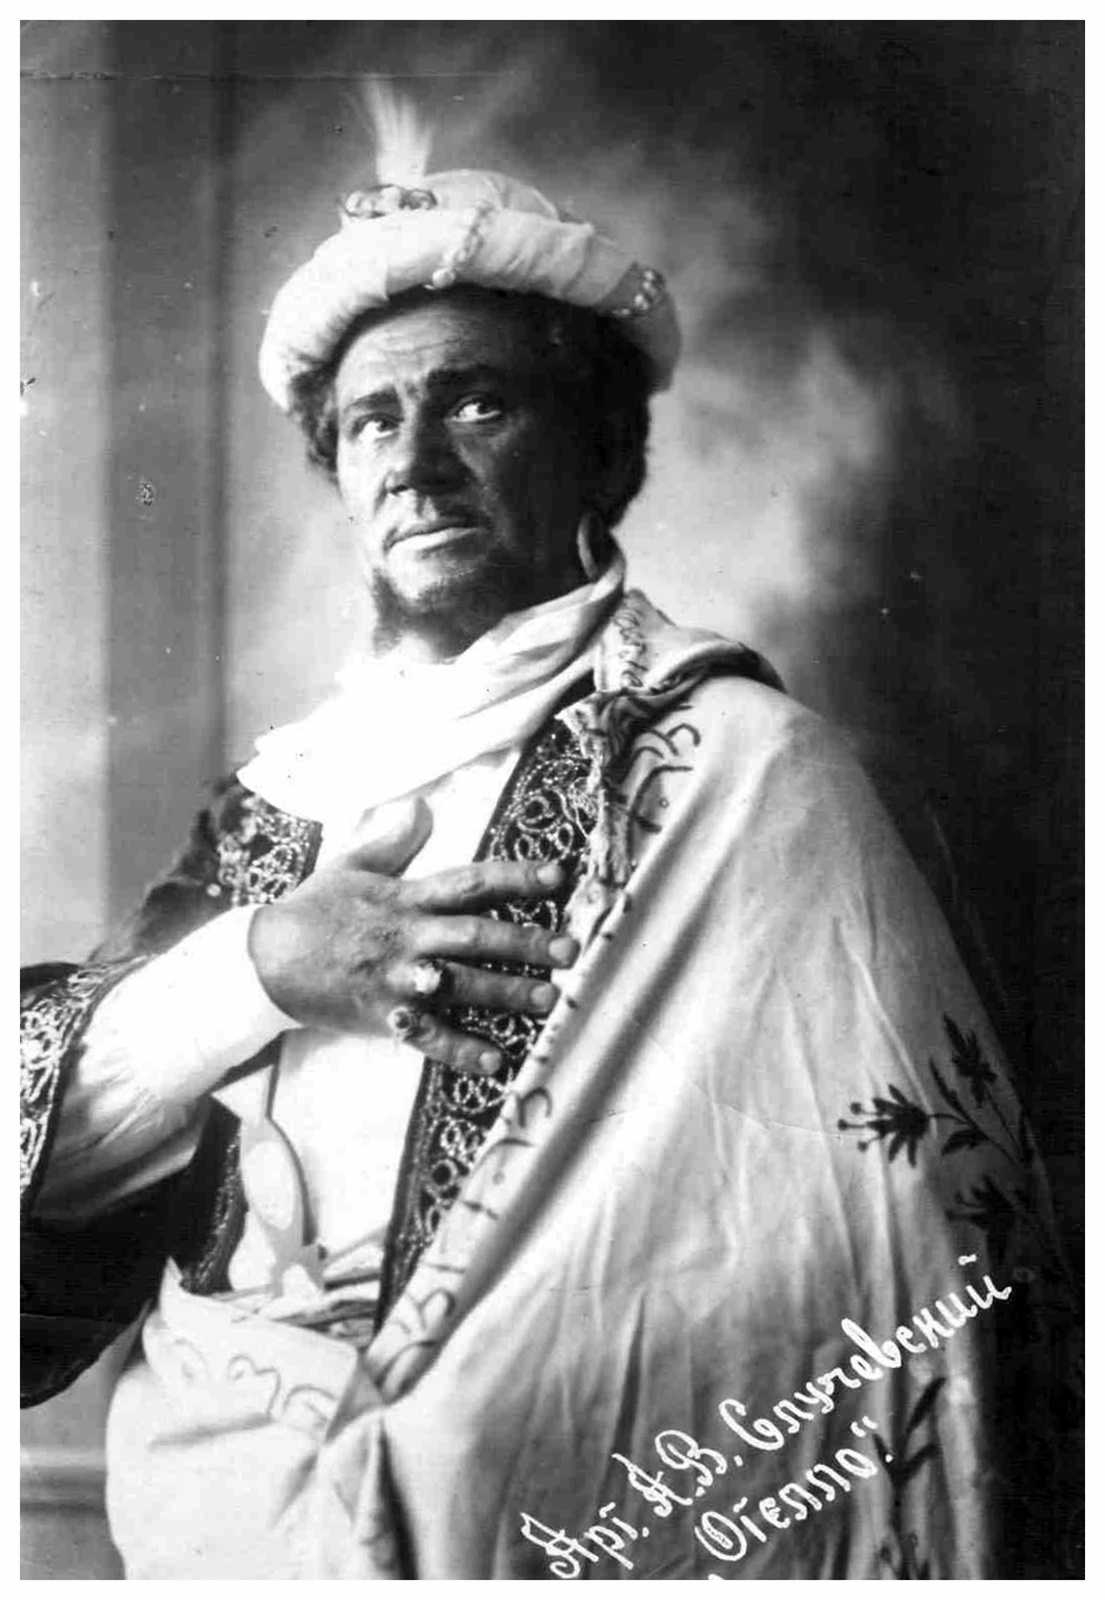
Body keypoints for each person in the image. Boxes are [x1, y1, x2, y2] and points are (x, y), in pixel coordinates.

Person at [21, 147, 1077, 1579]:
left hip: (562, 1497)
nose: (416, 463)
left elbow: (895, 1244)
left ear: (598, 453)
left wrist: (467, 1382)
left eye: (478, 403)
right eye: (372, 421)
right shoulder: (277, 805)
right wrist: (260, 969)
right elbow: (50, 1162)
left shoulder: (746, 769)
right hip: (209, 1499)